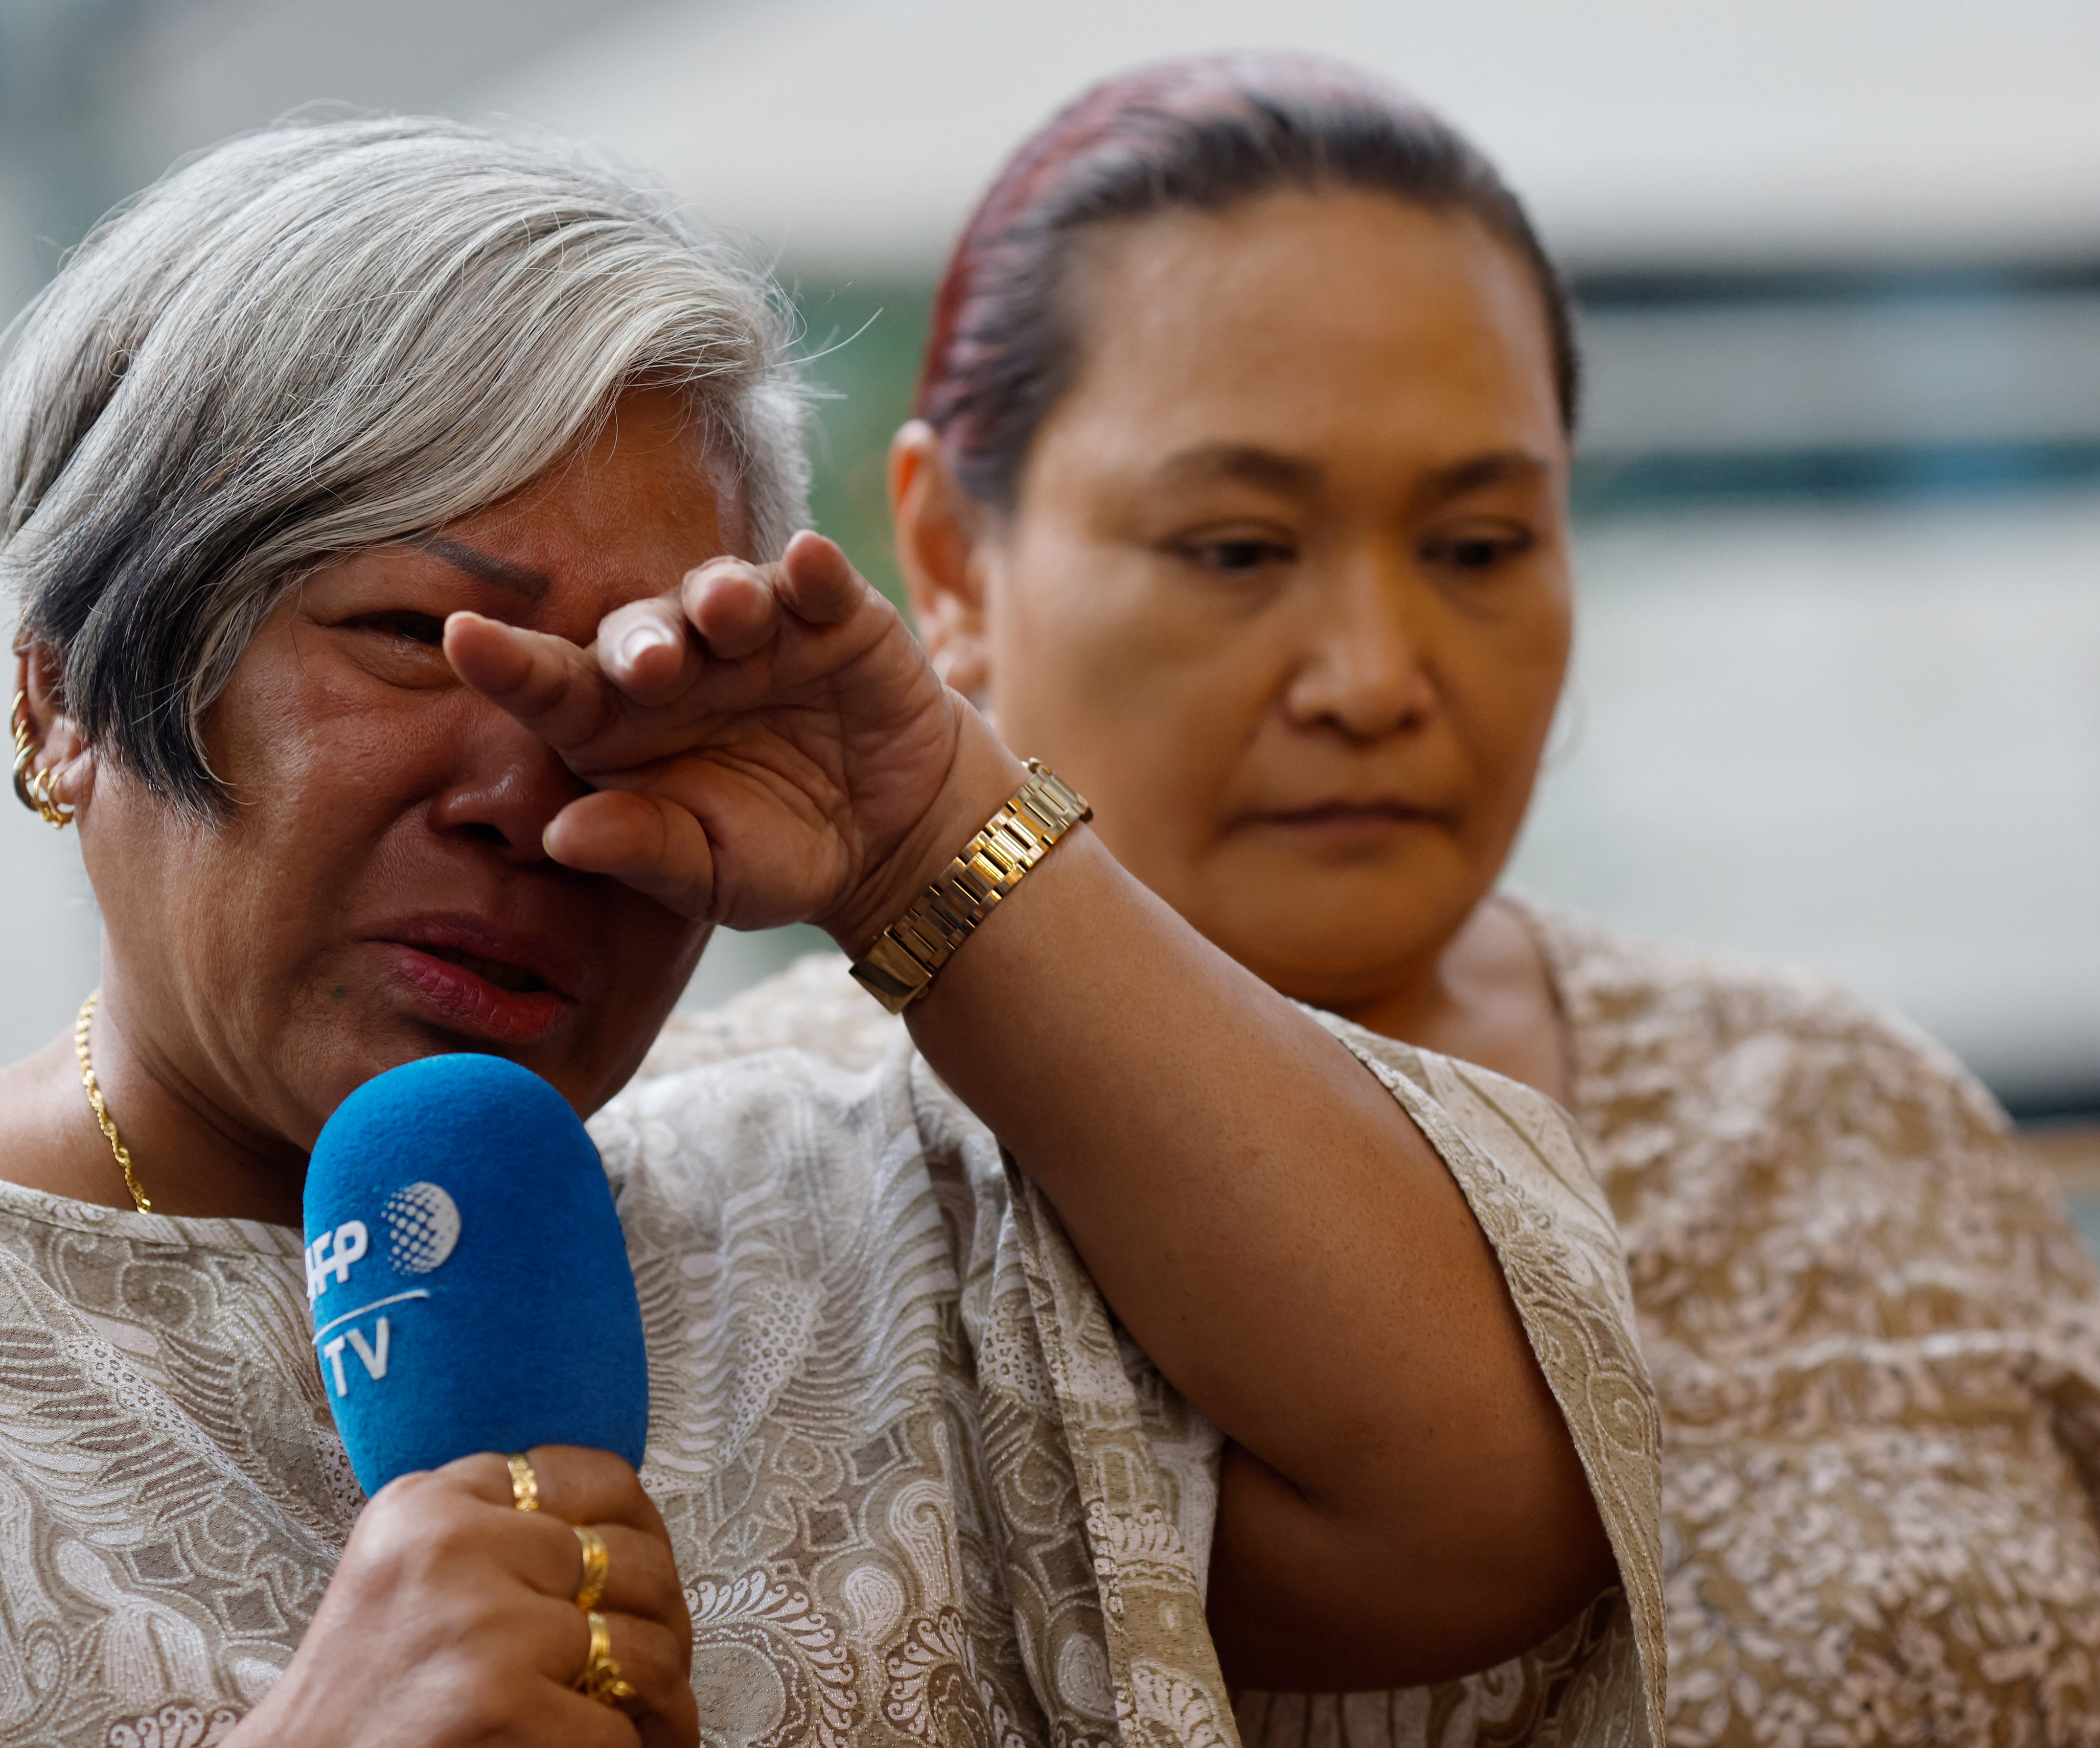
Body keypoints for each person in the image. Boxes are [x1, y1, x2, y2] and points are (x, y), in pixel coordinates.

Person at [0, 117, 1661, 1747]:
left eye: (642, 683)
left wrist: (924, 825)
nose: (530, 790)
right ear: (64, 698)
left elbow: (1490, 1509)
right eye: (409, 635)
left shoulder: (869, 1212)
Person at [648, 51, 2100, 1747]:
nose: (1373, 677)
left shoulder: (1841, 1117)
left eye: (1479, 548)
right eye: (1238, 550)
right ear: (954, 557)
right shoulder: (723, 1196)